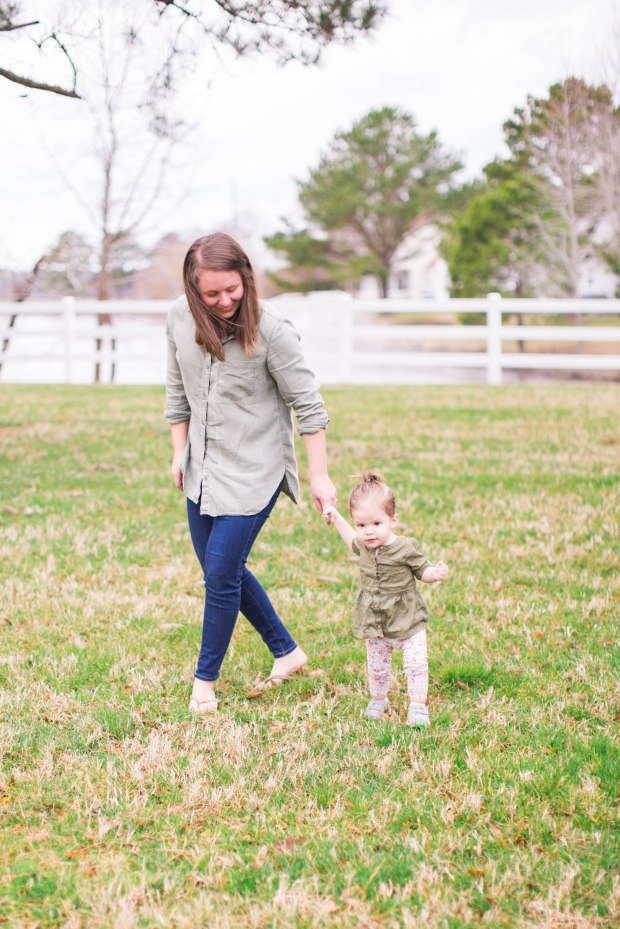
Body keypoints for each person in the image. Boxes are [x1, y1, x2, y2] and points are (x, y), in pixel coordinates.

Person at [165, 232, 336, 715]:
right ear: (193, 288)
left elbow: (310, 407)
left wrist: (320, 477)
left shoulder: (273, 331)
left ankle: (204, 684)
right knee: (222, 567)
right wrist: (179, 452)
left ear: (247, 279)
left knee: (219, 575)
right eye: (211, 294)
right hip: (203, 467)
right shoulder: (179, 317)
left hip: (257, 469)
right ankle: (287, 652)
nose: (223, 302)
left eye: (232, 290)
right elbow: (176, 390)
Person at [323, 472, 449, 727]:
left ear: (393, 520)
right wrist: (336, 518)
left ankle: (417, 705)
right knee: (377, 665)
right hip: (376, 619)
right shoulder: (364, 545)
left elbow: (421, 570)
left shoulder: (405, 547)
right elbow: (350, 540)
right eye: (361, 525)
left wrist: (434, 574)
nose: (368, 532)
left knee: (415, 664)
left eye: (376, 524)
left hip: (407, 619)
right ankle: (379, 699)